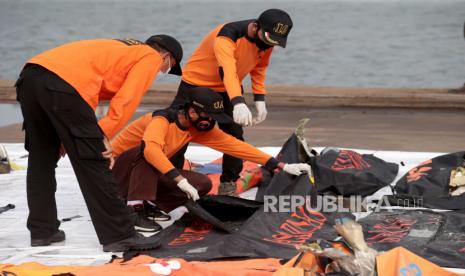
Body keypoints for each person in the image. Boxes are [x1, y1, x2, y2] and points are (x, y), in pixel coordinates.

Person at [15, 35, 183, 252]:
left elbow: (85, 90)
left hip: (30, 77)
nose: (161, 72)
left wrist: (70, 136)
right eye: (167, 68)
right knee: (94, 162)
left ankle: (42, 231)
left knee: (42, 160)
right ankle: (120, 235)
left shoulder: (121, 48)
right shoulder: (150, 57)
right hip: (63, 85)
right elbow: (126, 100)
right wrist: (102, 135)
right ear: (166, 56)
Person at [111, 87, 312, 233]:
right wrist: (179, 180)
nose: (211, 121)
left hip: (138, 174)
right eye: (208, 115)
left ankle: (148, 205)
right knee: (149, 151)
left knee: (202, 183)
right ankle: (132, 209)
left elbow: (235, 146)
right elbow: (151, 151)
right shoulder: (162, 120)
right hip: (116, 171)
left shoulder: (197, 127)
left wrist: (279, 164)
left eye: (214, 117)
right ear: (191, 111)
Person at [169, 9, 293, 194]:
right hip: (196, 84)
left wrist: (259, 98)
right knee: (177, 130)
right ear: (255, 26)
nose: (270, 44)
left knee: (234, 134)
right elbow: (227, 69)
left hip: (228, 86)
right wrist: (238, 102)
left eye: (275, 41)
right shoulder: (228, 35)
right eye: (269, 38)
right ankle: (170, 180)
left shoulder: (268, 38)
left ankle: (229, 182)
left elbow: (260, 67)